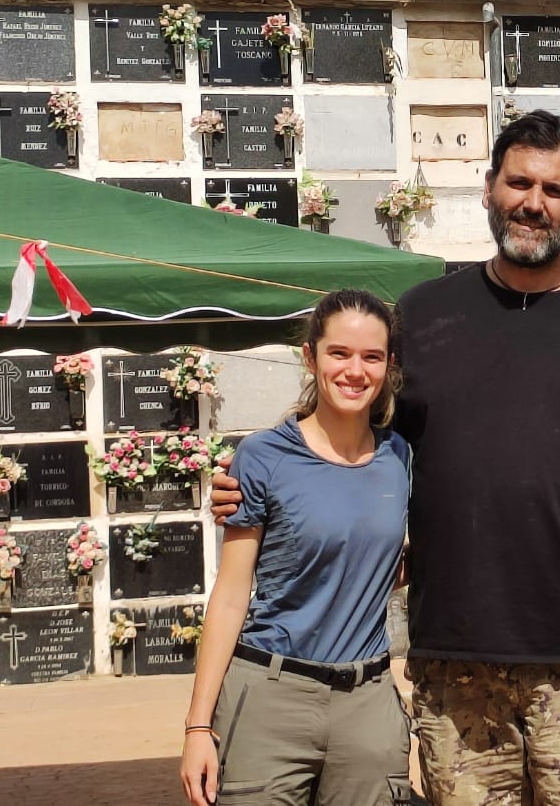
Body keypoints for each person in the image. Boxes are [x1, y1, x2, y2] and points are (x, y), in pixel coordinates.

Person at [214, 110, 560, 805]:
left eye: (555, 190)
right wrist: (252, 480)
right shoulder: (424, 318)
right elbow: (344, 433)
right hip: (453, 662)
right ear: (490, 188)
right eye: (518, 182)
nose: (533, 202)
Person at [179, 289, 412, 805]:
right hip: (269, 697)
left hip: (367, 704)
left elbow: (394, 560)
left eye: (372, 357)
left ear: (389, 366)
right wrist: (198, 726)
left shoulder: (401, 457)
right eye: (339, 353)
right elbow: (233, 592)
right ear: (310, 357)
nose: (355, 371)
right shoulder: (263, 457)